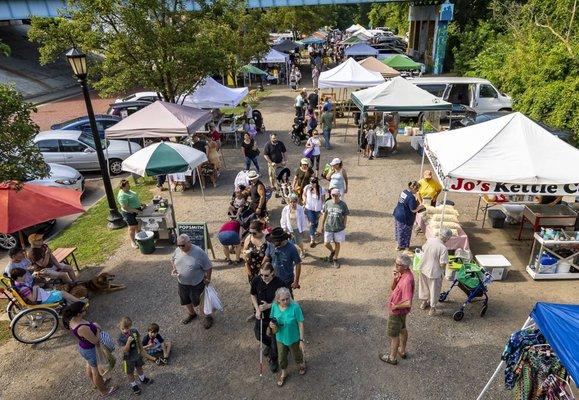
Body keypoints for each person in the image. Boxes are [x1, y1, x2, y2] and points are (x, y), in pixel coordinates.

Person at [62, 302, 118, 397]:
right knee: (95, 371)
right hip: (91, 350)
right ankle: (104, 391)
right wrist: (98, 330)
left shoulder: (72, 321)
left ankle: (96, 384)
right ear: (78, 313)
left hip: (83, 347)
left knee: (90, 366)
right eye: (84, 310)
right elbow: (95, 341)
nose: (86, 311)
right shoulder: (82, 328)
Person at [171, 234, 214, 329]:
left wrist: (208, 279)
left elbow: (209, 266)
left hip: (197, 284)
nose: (180, 247)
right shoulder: (178, 250)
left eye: (183, 245)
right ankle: (192, 314)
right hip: (182, 282)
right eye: (178, 245)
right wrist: (174, 269)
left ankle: (208, 316)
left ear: (189, 242)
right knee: (185, 299)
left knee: (200, 302)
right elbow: (173, 259)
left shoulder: (199, 252)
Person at [250, 263, 287, 373]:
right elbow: (253, 294)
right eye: (261, 275)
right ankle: (270, 345)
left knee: (275, 339)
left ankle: (273, 359)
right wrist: (257, 309)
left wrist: (269, 305)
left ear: (273, 273)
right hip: (261, 314)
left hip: (275, 315)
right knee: (258, 334)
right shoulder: (257, 280)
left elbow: (285, 300)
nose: (263, 278)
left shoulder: (280, 283)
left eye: (266, 275)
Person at [379, 253, 415, 365]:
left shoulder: (407, 281)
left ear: (405, 266)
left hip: (397, 312)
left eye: (398, 264)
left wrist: (396, 306)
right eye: (395, 263)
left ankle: (392, 358)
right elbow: (392, 288)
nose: (395, 266)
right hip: (401, 313)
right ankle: (402, 351)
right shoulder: (402, 273)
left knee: (393, 335)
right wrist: (395, 279)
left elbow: (408, 302)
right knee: (402, 329)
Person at [270, 287, 306, 386]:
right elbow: (272, 319)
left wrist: (302, 340)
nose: (286, 301)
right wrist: (271, 324)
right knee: (281, 357)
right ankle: (284, 373)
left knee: (296, 354)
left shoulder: (295, 307)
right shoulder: (274, 306)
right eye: (283, 300)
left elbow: (300, 323)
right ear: (277, 299)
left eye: (287, 298)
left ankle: (301, 364)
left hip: (293, 337)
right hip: (280, 338)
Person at [418, 228, 451, 316]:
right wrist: (445, 270)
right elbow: (442, 264)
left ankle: (424, 303)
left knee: (424, 286)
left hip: (423, 267)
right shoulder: (443, 248)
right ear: (447, 238)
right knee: (434, 290)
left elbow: (423, 249)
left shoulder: (430, 240)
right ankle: (432, 309)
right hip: (434, 272)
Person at [117, 317, 153, 395]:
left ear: (130, 326)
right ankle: (134, 385)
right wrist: (128, 342)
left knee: (139, 366)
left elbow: (139, 340)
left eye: (127, 328)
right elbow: (125, 350)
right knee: (130, 372)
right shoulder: (121, 338)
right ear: (120, 327)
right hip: (128, 358)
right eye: (123, 329)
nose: (125, 330)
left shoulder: (134, 331)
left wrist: (141, 349)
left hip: (136, 353)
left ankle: (142, 378)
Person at [10, 268, 86, 304]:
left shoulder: (18, 283)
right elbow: (33, 299)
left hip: (42, 295)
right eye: (23, 275)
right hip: (42, 300)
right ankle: (80, 301)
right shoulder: (23, 288)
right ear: (18, 277)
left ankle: (75, 302)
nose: (25, 276)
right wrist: (35, 288)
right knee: (62, 293)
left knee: (58, 291)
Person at [319, 188, 349, 269]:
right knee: (326, 243)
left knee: (337, 243)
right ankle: (332, 252)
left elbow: (345, 215)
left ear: (339, 195)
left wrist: (344, 225)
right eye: (333, 195)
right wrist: (321, 225)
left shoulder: (343, 204)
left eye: (336, 195)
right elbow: (324, 214)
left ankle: (335, 258)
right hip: (328, 226)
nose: (335, 197)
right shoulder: (327, 203)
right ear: (331, 195)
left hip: (339, 227)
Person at [393, 181, 424, 251]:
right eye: (417, 190)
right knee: (406, 232)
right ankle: (406, 247)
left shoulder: (404, 191)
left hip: (398, 213)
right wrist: (421, 207)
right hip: (405, 216)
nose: (417, 191)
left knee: (399, 231)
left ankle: (399, 245)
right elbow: (413, 210)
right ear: (413, 189)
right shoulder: (411, 197)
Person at [117, 179, 144, 249]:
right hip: (129, 213)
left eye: (129, 184)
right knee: (132, 227)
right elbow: (125, 207)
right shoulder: (122, 196)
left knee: (138, 225)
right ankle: (133, 242)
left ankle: (138, 238)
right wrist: (136, 211)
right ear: (122, 187)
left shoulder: (128, 190)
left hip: (136, 210)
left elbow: (133, 198)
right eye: (127, 185)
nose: (129, 186)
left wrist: (140, 204)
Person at [280, 193, 308, 257]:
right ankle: (292, 254)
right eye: (291, 202)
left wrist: (303, 229)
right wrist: (284, 228)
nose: (293, 203)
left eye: (294, 201)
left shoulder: (300, 209)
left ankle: (302, 250)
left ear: (297, 201)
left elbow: (303, 219)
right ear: (289, 202)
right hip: (289, 229)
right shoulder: (285, 209)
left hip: (297, 229)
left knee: (299, 242)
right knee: (290, 243)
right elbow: (283, 219)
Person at [302, 177, 326, 247]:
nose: (312, 184)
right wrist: (304, 200)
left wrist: (323, 208)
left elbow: (323, 200)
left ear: (316, 182)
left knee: (316, 222)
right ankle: (312, 239)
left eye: (313, 182)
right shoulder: (307, 188)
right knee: (312, 223)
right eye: (311, 182)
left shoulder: (321, 189)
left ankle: (315, 231)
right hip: (309, 208)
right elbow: (304, 194)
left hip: (318, 209)